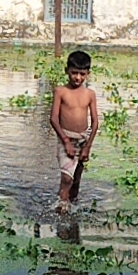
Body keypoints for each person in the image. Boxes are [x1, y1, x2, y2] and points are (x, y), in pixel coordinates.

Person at [50, 51, 99, 211]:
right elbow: (54, 119)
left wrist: (87, 147)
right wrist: (65, 142)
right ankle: (61, 208)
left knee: (76, 179)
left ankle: (72, 208)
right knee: (66, 178)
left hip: (83, 139)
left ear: (88, 74)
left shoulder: (90, 94)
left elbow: (95, 122)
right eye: (74, 73)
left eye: (82, 74)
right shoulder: (61, 91)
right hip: (66, 138)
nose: (77, 77)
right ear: (67, 71)